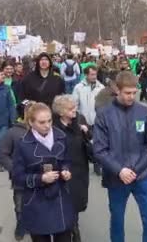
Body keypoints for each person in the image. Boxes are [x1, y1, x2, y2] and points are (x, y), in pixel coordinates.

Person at [93, 71, 147, 242]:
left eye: (134, 93)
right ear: (117, 90)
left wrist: (144, 168)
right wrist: (119, 170)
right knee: (117, 221)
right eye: (127, 93)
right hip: (116, 178)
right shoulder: (104, 114)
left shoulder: (144, 112)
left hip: (142, 176)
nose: (131, 97)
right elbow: (99, 150)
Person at [12, 103, 76, 242]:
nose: (47, 125)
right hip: (37, 201)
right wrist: (40, 178)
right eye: (42, 122)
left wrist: (66, 170)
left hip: (60, 198)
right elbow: (17, 177)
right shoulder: (23, 144)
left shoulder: (61, 136)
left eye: (49, 120)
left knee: (64, 237)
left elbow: (67, 160)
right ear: (30, 122)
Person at [52, 95, 92, 242]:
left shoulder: (80, 120)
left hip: (80, 169)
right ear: (61, 112)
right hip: (63, 170)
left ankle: (73, 227)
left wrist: (86, 131)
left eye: (75, 106)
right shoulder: (54, 127)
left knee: (76, 202)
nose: (75, 110)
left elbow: (91, 140)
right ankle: (72, 231)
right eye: (71, 108)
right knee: (65, 203)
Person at [0, 102, 34, 241]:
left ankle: (35, 224)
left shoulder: (43, 130)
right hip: (20, 178)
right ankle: (21, 225)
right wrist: (15, 169)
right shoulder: (13, 133)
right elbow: (2, 155)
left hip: (38, 176)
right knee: (19, 204)